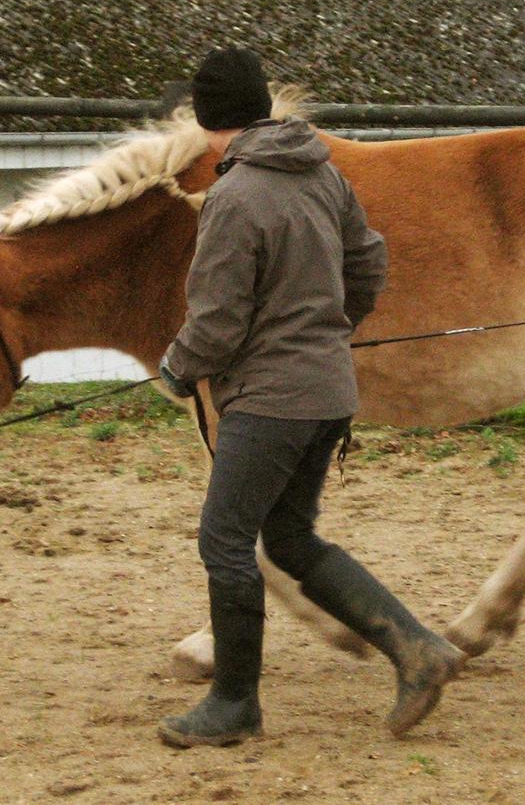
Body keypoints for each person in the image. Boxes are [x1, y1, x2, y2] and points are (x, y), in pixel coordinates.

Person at [157, 48, 464, 748]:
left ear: (206, 121)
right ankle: (418, 650)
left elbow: (217, 321)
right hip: (328, 391)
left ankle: (233, 704)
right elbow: (370, 261)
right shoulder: (323, 174)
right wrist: (330, 330)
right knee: (291, 539)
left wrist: (177, 367)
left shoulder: (232, 197)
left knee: (224, 540)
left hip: (270, 400)